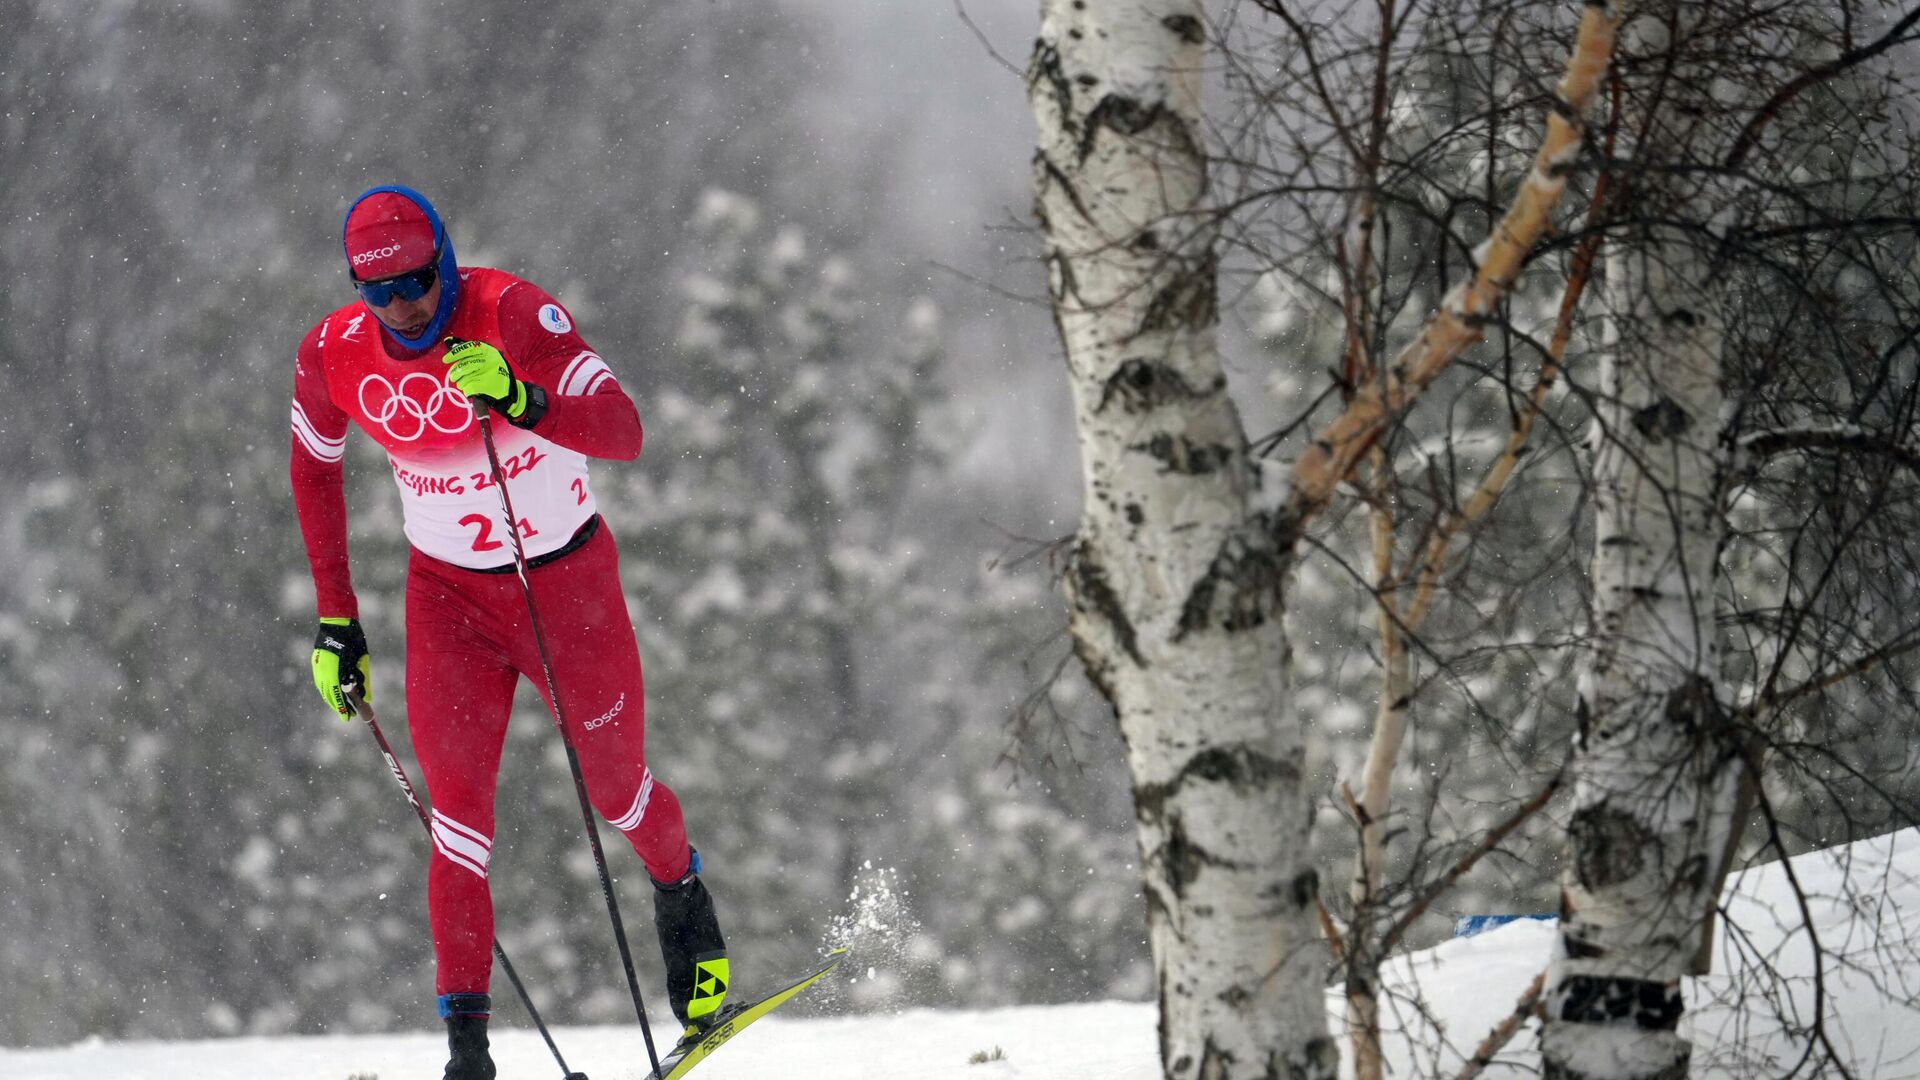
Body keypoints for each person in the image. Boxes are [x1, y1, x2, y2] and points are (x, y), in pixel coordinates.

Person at [290, 184, 729, 1080]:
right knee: (458, 828)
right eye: (381, 292)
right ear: (356, 291)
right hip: (447, 602)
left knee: (617, 792)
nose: (404, 305)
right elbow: (313, 470)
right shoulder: (335, 354)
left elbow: (625, 431)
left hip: (566, 588)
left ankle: (683, 901)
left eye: (418, 280)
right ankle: (467, 1056)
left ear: (446, 259)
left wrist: (525, 398)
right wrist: (338, 620)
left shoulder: (514, 313)